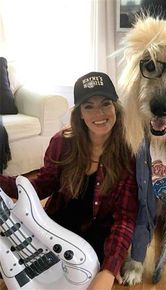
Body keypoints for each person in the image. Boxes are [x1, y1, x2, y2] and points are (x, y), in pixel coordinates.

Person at [0, 72, 138, 290]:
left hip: (95, 242)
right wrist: (3, 183)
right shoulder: (62, 143)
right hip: (53, 228)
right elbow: (41, 185)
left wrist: (110, 268)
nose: (99, 113)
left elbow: (125, 218)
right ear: (80, 113)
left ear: (116, 108)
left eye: (106, 104)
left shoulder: (129, 153)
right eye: (88, 106)